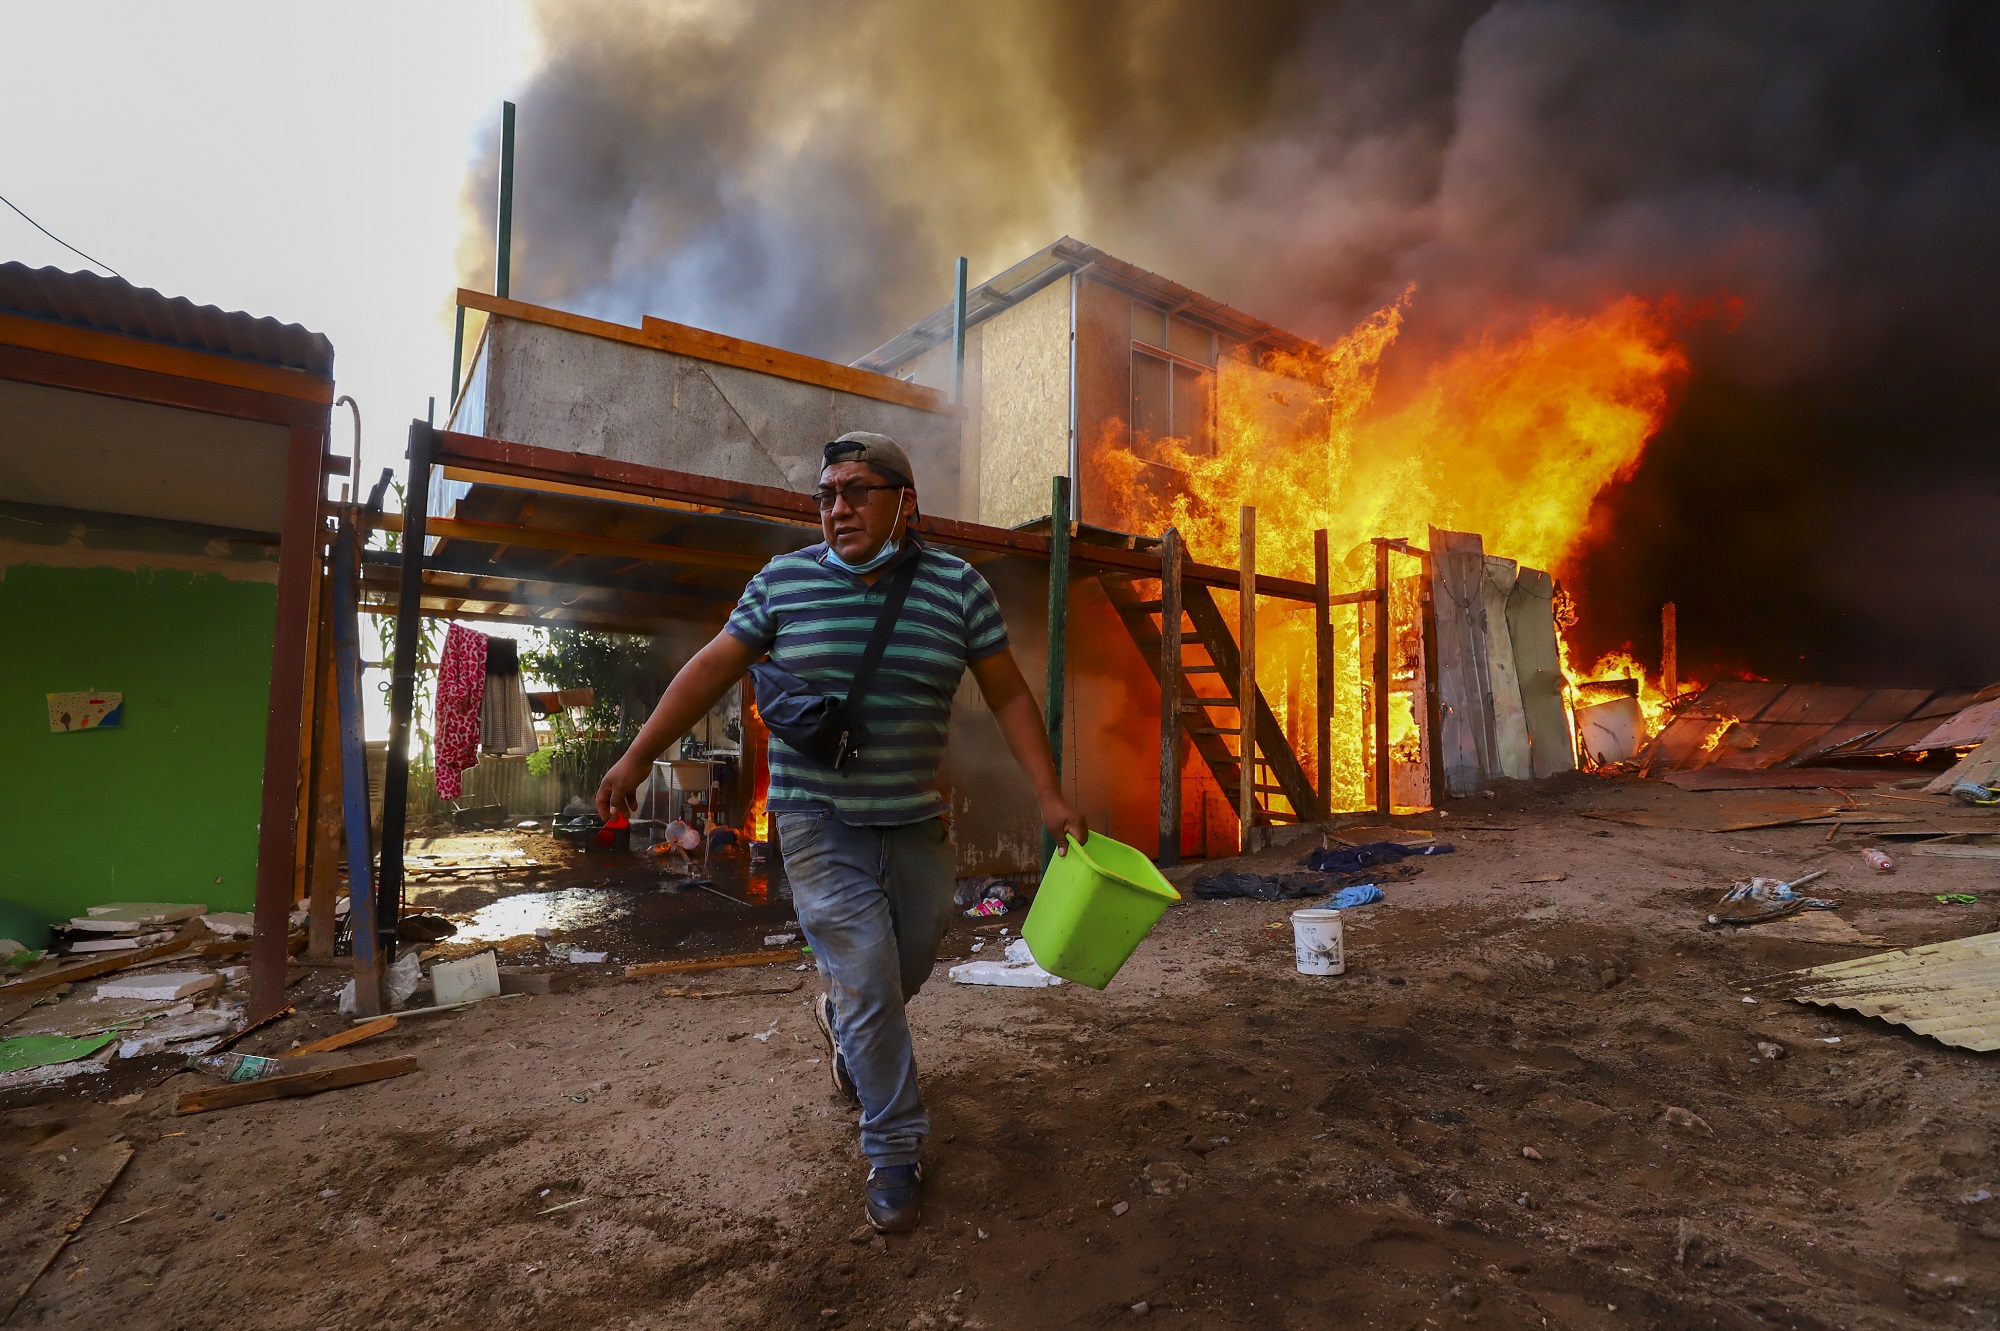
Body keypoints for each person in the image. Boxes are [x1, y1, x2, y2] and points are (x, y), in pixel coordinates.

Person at [597, 430, 1087, 1233]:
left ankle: (844, 1025)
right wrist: (635, 757)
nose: (838, 507)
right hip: (817, 820)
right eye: (826, 494)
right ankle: (893, 1144)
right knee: (864, 972)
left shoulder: (958, 588)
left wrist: (1051, 796)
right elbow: (710, 668)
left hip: (915, 821)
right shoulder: (782, 582)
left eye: (858, 489)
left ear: (906, 501)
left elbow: (1008, 696)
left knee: (908, 961)